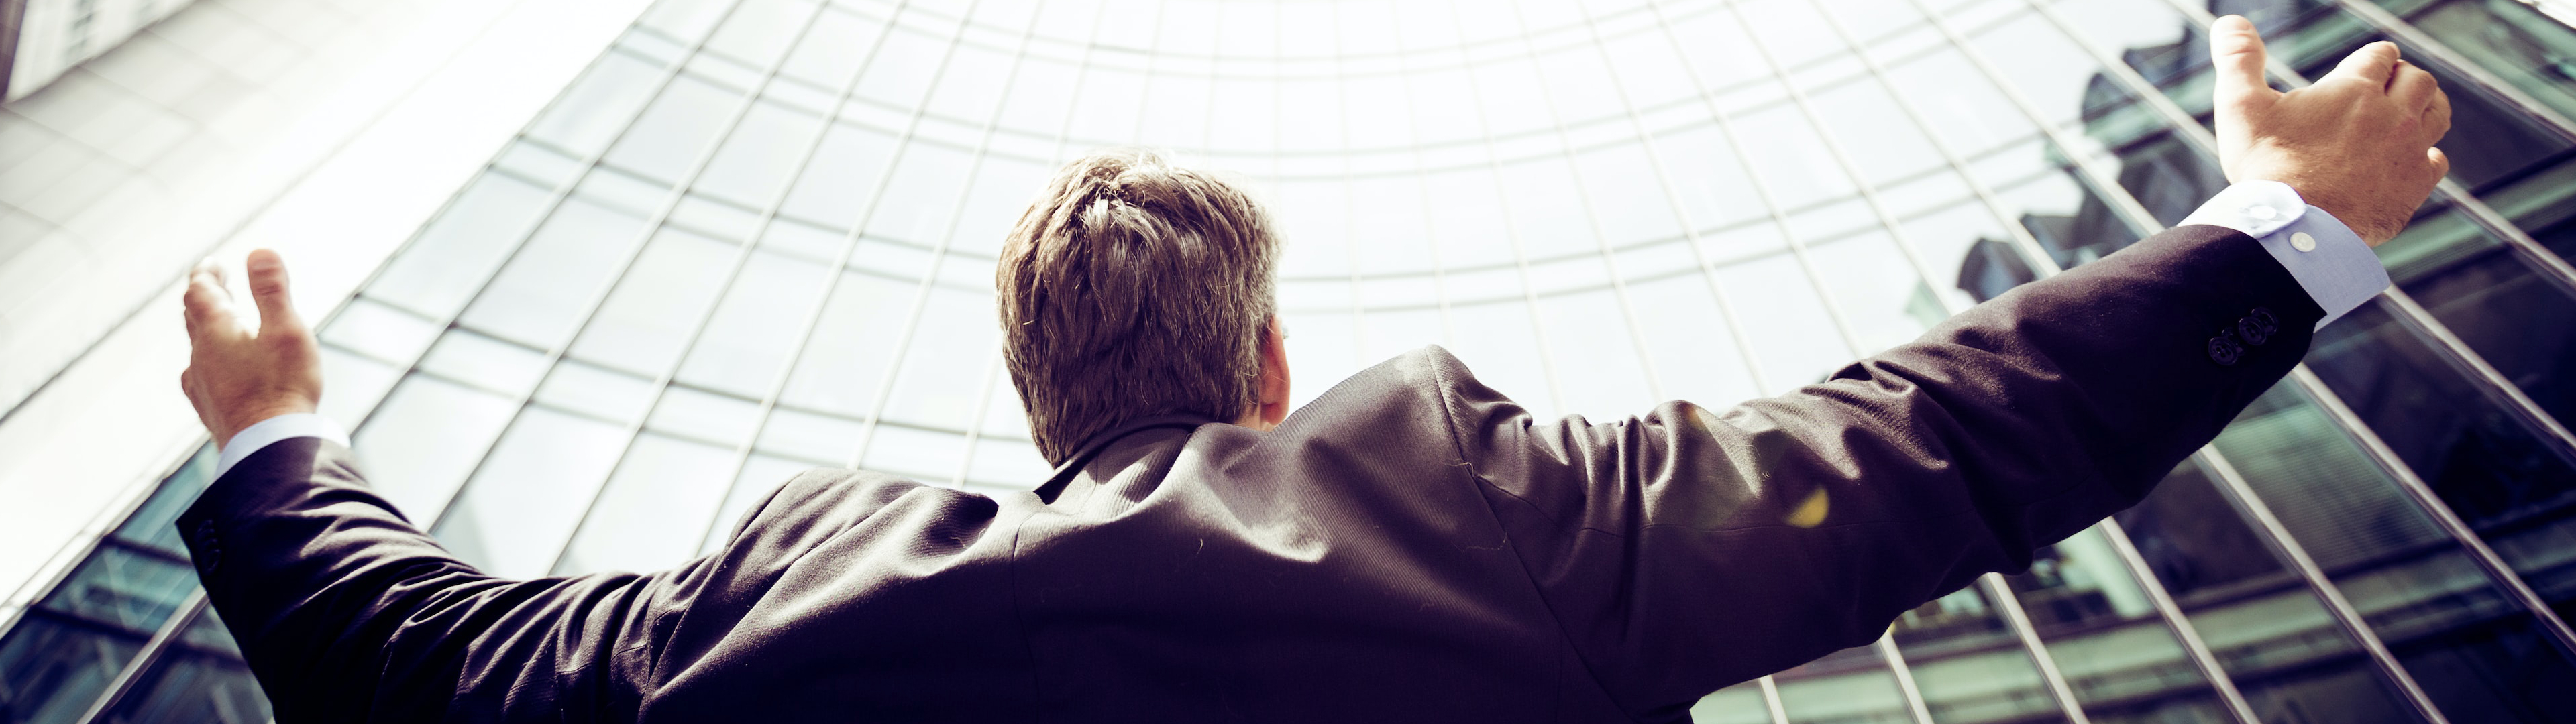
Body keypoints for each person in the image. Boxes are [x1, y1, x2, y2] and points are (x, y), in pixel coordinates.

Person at [173, 17, 2449, 722]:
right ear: (1271, 361)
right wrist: (2278, 231)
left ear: (1036, 400)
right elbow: (1924, 440)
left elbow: (419, 668)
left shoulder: (768, 601)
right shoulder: (1458, 500)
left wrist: (278, 431)